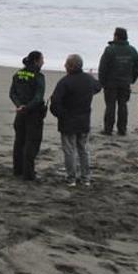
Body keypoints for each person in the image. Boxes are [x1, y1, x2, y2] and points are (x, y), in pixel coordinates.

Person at [50, 54, 102, 187]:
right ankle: (85, 178)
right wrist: (91, 78)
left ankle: (71, 178)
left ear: (71, 66)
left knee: (69, 150)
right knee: (83, 149)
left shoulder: (65, 82)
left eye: (66, 64)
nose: (64, 66)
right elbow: (97, 87)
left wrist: (60, 115)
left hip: (69, 121)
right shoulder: (88, 80)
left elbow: (55, 102)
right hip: (83, 120)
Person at [9, 51, 47, 181]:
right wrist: (27, 107)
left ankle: (17, 170)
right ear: (36, 61)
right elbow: (38, 97)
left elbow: (12, 93)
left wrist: (19, 105)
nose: (43, 62)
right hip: (33, 114)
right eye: (42, 59)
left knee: (19, 142)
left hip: (20, 113)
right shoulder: (38, 76)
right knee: (32, 144)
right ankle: (28, 174)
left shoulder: (18, 74)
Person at [98, 27, 138, 136]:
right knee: (123, 105)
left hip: (110, 83)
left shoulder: (109, 49)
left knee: (110, 105)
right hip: (125, 82)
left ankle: (108, 129)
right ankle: (122, 130)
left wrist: (102, 82)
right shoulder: (132, 50)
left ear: (116, 36)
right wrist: (132, 79)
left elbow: (102, 67)